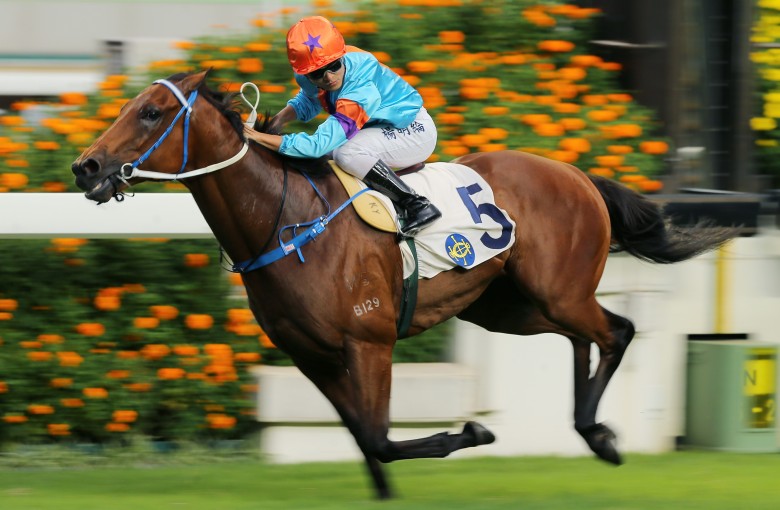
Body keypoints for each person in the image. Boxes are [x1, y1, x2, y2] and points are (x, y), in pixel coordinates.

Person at [243, 15, 441, 236]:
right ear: (305, 73)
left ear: (341, 55)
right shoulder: (310, 73)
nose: (328, 78)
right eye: (317, 73)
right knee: (327, 155)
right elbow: (308, 100)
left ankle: (416, 205)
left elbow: (317, 145)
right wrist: (275, 122)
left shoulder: (361, 87)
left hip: (413, 131)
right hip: (379, 127)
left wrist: (258, 137)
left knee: (345, 153)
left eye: (334, 66)